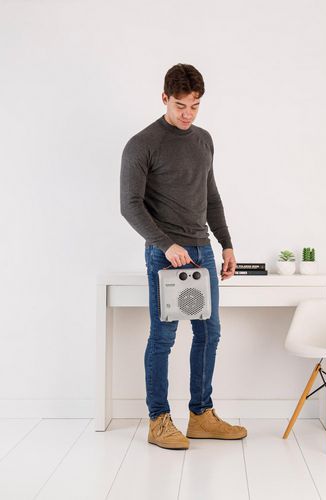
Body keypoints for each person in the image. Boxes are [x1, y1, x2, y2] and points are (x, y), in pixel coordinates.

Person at [120, 63, 247, 450]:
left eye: (194, 106)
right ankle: (158, 419)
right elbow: (130, 205)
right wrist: (165, 245)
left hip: (202, 251)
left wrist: (225, 244)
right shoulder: (142, 144)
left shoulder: (203, 140)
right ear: (164, 98)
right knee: (163, 337)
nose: (187, 114)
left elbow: (211, 196)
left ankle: (201, 415)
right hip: (165, 256)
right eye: (180, 106)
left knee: (210, 332)